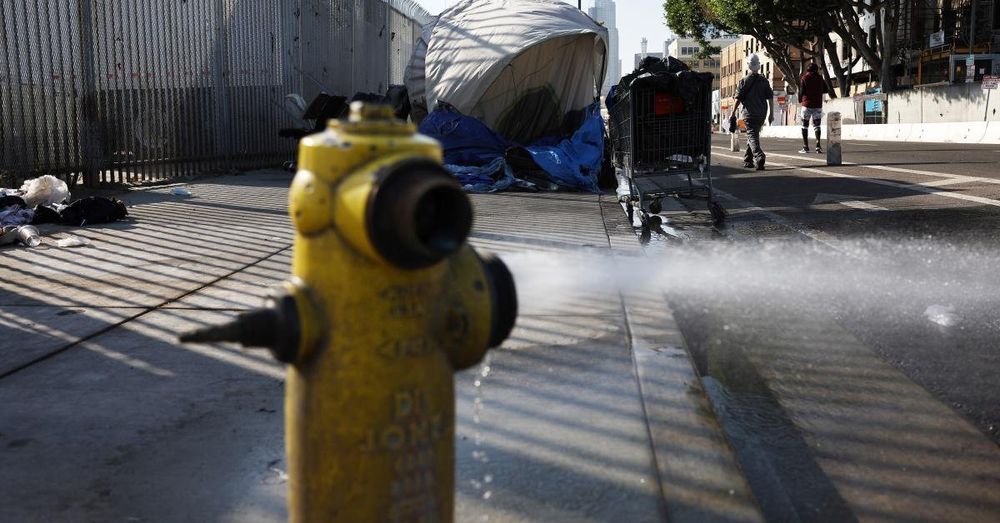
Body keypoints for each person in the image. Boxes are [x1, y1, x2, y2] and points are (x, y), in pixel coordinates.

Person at [730, 54, 774, 170]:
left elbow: (738, 99)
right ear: (759, 66)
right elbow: (770, 98)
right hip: (761, 114)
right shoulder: (764, 81)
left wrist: (733, 112)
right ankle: (748, 160)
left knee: (752, 135)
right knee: (753, 135)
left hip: (749, 114)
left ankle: (759, 156)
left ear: (749, 66)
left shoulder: (744, 81)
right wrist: (771, 114)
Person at [799, 63, 829, 153]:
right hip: (817, 105)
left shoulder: (804, 78)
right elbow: (826, 90)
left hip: (806, 105)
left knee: (804, 126)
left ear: (808, 70)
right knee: (817, 126)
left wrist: (800, 99)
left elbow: (801, 91)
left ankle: (805, 147)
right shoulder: (820, 78)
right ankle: (818, 146)